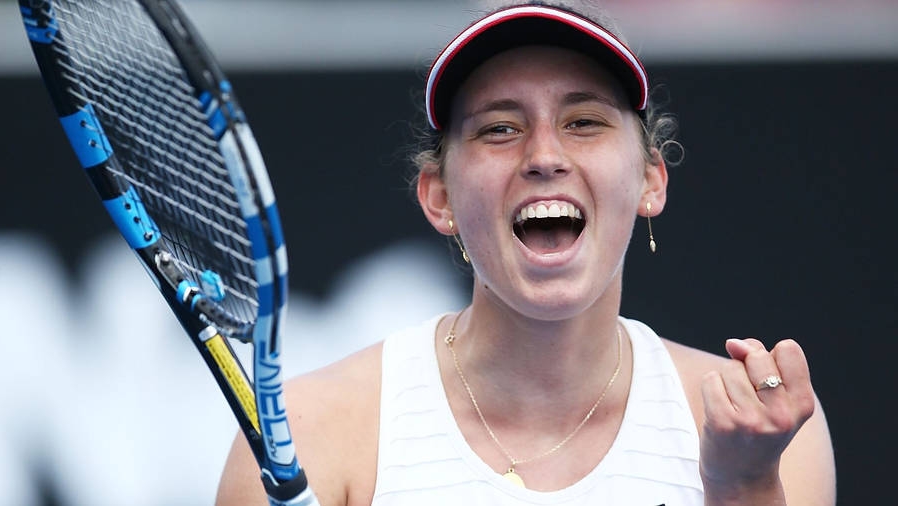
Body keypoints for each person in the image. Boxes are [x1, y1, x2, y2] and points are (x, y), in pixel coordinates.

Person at [217, 2, 836, 504]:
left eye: (584, 122)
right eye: (500, 129)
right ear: (439, 197)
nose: (544, 156)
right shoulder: (311, 434)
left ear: (651, 179)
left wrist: (743, 487)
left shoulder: (771, 437)